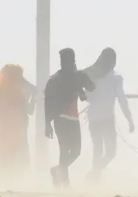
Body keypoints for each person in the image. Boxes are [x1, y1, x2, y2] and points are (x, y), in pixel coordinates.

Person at [44, 48, 95, 188]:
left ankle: (58, 172)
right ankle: (65, 184)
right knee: (65, 150)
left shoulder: (72, 76)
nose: (64, 64)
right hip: (62, 119)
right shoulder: (59, 78)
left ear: (71, 61)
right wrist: (47, 123)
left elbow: (91, 87)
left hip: (69, 119)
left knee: (75, 152)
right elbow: (48, 101)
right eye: (63, 61)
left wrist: (81, 86)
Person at [82, 47, 134, 183]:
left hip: (99, 118)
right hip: (102, 119)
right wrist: (130, 120)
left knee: (102, 151)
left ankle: (94, 175)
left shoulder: (96, 75)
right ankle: (94, 177)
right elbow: (122, 100)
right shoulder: (111, 77)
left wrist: (129, 119)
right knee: (106, 151)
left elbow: (121, 100)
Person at [0, 63, 35, 185]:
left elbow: (29, 108)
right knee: (14, 161)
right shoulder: (8, 97)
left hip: (13, 133)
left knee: (17, 162)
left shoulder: (13, 97)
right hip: (8, 134)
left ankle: (2, 180)